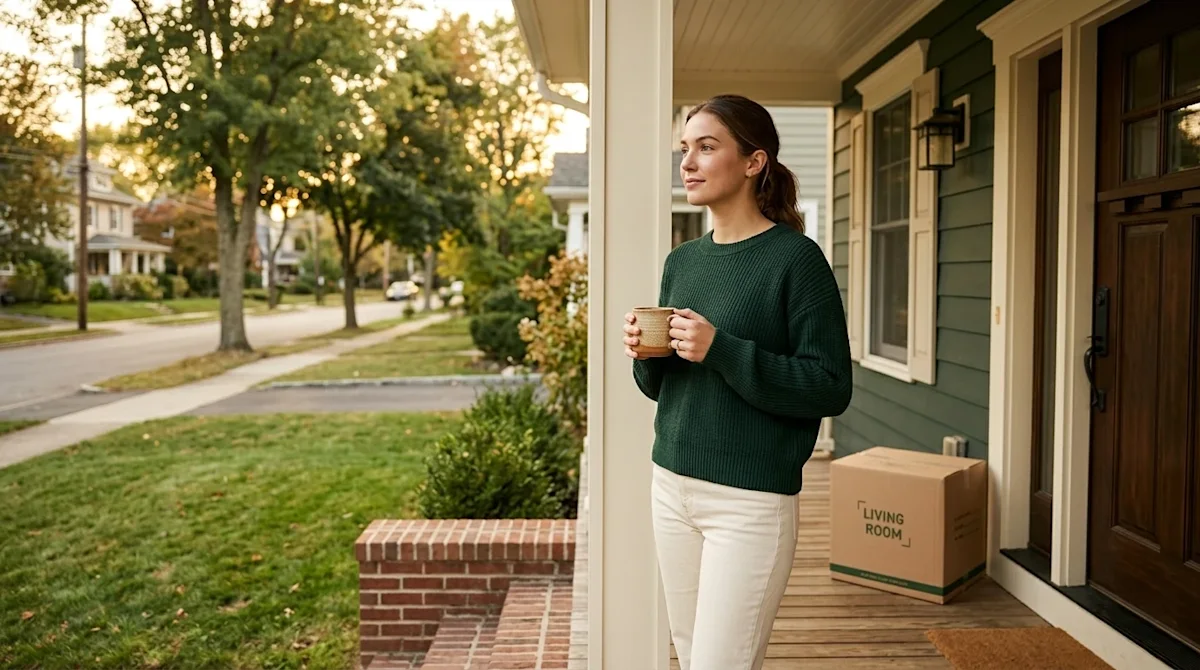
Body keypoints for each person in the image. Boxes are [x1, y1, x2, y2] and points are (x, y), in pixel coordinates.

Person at [622, 94, 853, 670]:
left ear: (754, 162)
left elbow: (830, 385)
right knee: (691, 655)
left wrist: (721, 349)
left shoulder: (796, 260)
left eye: (707, 147)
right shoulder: (683, 262)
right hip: (671, 485)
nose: (688, 162)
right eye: (685, 149)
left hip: (749, 502)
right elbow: (660, 388)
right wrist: (646, 354)